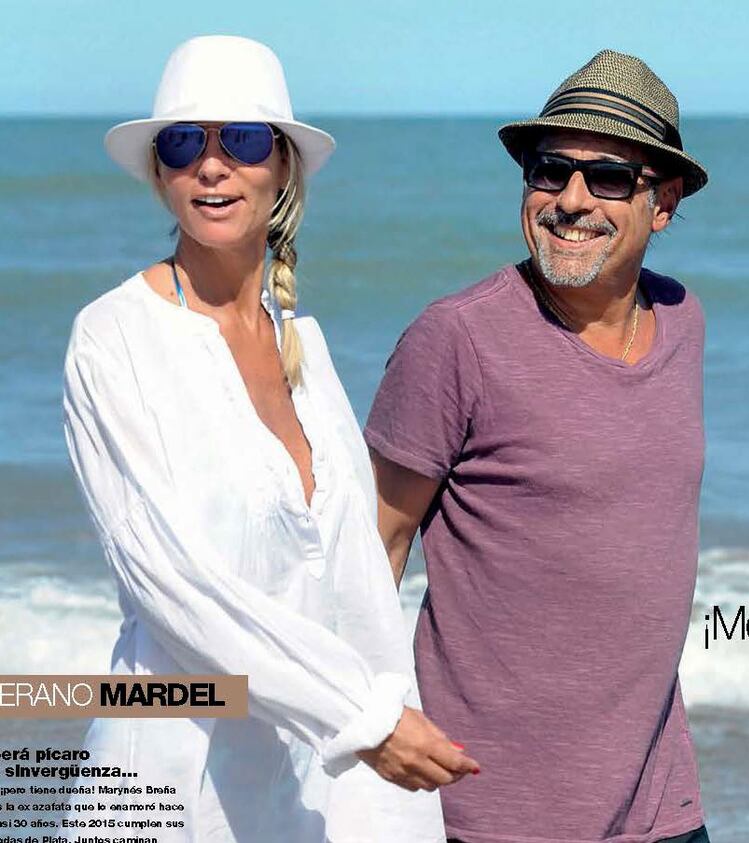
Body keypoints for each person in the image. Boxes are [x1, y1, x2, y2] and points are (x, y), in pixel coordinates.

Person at [62, 35, 478, 843]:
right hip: (172, 786)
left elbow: (354, 581)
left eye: (242, 140)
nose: (211, 166)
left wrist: (391, 798)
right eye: (185, 144)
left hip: (307, 789)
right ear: (160, 172)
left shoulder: (306, 350)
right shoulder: (113, 339)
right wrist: (360, 717)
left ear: (282, 165)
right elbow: (171, 583)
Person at [364, 50, 711, 843]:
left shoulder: (682, 320)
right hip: (492, 813)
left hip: (662, 808)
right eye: (549, 171)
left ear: (662, 202)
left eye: (610, 178)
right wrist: (372, 716)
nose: (571, 200)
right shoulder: (456, 338)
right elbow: (368, 550)